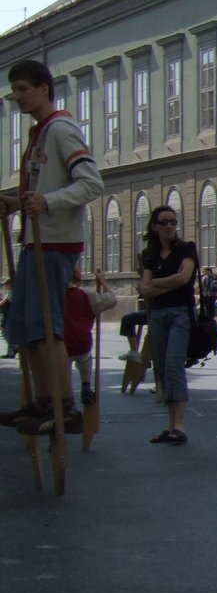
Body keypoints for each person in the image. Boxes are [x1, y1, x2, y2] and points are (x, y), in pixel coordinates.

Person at [0, 58, 104, 437]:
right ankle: (44, 401)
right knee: (24, 328)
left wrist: (47, 202)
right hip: (35, 240)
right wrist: (17, 202)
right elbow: (44, 186)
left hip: (56, 242)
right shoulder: (40, 133)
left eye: (24, 89)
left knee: (46, 327)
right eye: (14, 90)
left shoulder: (61, 129)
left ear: (44, 88)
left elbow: (91, 183)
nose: (18, 97)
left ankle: (65, 406)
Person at [139, 205, 198, 445]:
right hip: (158, 315)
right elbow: (144, 289)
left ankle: (180, 424)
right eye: (164, 222)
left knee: (175, 363)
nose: (170, 226)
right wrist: (165, 284)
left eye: (173, 222)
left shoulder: (186, 249)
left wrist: (157, 283)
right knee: (162, 367)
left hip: (180, 313)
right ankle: (171, 424)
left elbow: (184, 278)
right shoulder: (151, 255)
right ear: (155, 227)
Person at [64, 267, 116, 407]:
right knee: (85, 360)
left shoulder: (56, 295)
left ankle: (66, 396)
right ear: (79, 281)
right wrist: (103, 282)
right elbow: (112, 300)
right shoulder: (87, 295)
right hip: (82, 342)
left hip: (62, 343)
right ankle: (86, 386)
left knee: (63, 369)